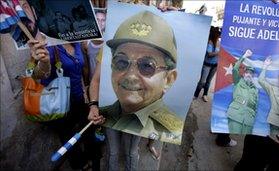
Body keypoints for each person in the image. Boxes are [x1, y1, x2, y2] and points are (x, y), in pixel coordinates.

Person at [89, 10, 183, 170]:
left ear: (168, 79)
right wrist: (93, 105)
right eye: (121, 62)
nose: (130, 76)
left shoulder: (168, 126)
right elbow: (96, 80)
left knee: (131, 152)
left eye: (147, 65)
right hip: (109, 118)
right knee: (113, 152)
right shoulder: (107, 111)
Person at [28, 40, 101, 170]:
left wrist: (87, 98)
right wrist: (44, 63)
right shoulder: (47, 46)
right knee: (69, 140)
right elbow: (38, 74)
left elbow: (79, 71)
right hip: (58, 104)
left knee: (90, 132)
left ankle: (93, 162)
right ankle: (81, 166)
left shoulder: (76, 42)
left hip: (79, 99)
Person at [226, 49, 258, 134]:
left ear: (253, 76)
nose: (249, 74)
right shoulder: (238, 81)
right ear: (243, 74)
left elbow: (255, 106)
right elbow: (235, 69)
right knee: (233, 134)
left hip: (248, 120)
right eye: (247, 72)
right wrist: (244, 56)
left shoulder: (255, 89)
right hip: (236, 115)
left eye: (251, 74)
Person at [194, 26, 221, 102]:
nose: (219, 35)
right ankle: (196, 94)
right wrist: (218, 52)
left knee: (208, 81)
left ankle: (205, 94)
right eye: (218, 34)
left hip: (215, 65)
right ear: (215, 34)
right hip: (207, 65)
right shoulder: (210, 42)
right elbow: (209, 54)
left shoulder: (219, 42)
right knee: (202, 81)